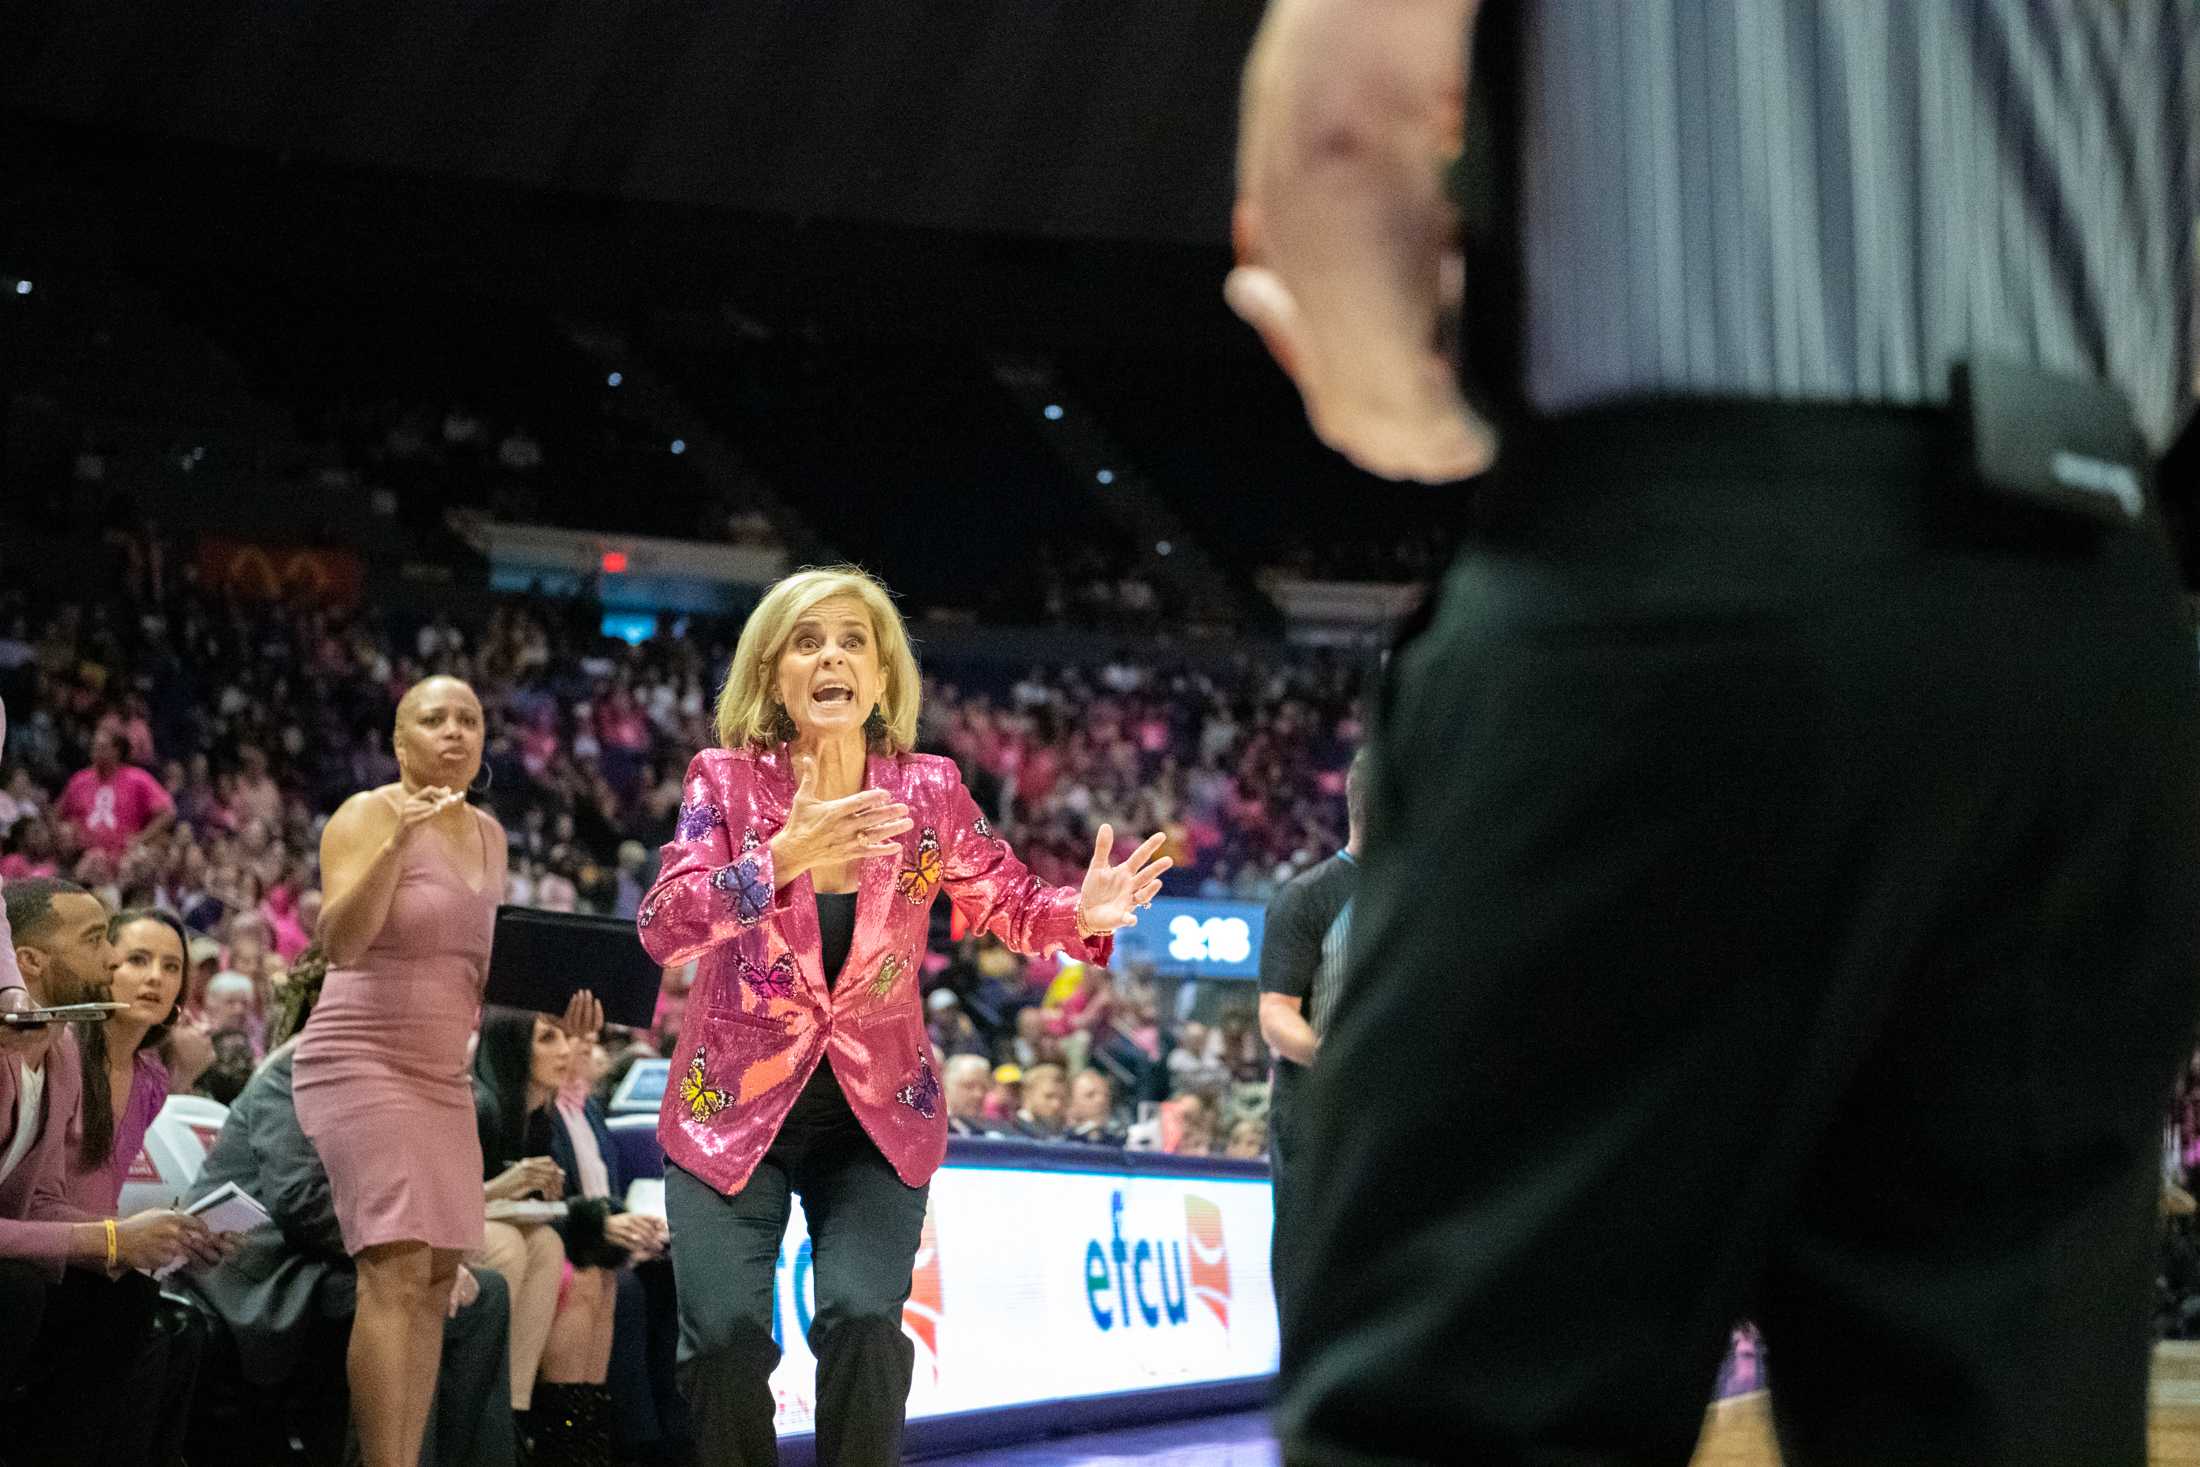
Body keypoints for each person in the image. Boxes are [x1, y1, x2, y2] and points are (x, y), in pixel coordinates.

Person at [1231, 2, 2200, 1463]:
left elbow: (1350, 106)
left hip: (1693, 561)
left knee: (1462, 1405)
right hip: (2094, 598)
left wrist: (1405, 406)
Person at [638, 565, 1171, 1467]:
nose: (832, 656)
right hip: (728, 1109)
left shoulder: (928, 790)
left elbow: (1009, 900)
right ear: (773, 673)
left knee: (861, 1322)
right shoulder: (723, 783)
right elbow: (663, 925)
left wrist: (1080, 913)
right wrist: (781, 856)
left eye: (854, 640)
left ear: (883, 677)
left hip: (877, 1110)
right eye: (807, 641)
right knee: (725, 1337)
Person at [292, 674, 511, 1467]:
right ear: (398, 740)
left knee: (435, 1277)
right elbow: (341, 942)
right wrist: (395, 844)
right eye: (434, 719)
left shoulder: (490, 835)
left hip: (439, 1075)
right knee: (396, 1268)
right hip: (359, 1059)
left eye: (469, 719)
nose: (454, 731)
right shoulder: (365, 814)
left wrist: (559, 1000)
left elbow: (480, 966)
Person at [177, 1037, 518, 1467]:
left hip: (335, 1257)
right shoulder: (301, 1067)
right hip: (263, 1264)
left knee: (484, 1295)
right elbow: (301, 1200)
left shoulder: (401, 1077)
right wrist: (412, 1253)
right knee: (403, 1296)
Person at [0, 879, 227, 1465]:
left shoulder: (79, 1062)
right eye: (105, 945)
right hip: (33, 1265)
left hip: (44, 1254)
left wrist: (153, 1237)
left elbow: (51, 1199)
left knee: (143, 1308)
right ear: (29, 961)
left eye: (170, 966)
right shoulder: (55, 1053)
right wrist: (111, 1239)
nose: (116, 963)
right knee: (41, 1295)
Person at [473, 999, 658, 1461]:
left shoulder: (540, 1116)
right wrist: (595, 1221)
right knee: (573, 1271)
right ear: (513, 1049)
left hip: (550, 1244)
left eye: (572, 1038)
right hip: (497, 1251)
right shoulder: (484, 1108)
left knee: (598, 1272)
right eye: (548, 1038)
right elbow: (460, 1203)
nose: (568, 1049)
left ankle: (582, 1444)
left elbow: (554, 1204)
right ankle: (543, 1436)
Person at [1256, 749, 1362, 1325]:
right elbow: (1276, 1016)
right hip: (1317, 1117)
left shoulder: (1428, 898)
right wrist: (1347, 1059)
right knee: (1310, 1273)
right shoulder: (1309, 897)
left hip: (1393, 1117)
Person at [66, 908, 187, 1214]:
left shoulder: (152, 1079)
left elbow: (102, 1198)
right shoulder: (59, 1052)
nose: (156, 977)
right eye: (138, 960)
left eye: (172, 967)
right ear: (102, 966)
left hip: (99, 1255)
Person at [53, 729, 175, 861]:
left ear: (116, 751)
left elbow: (167, 812)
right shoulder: (79, 780)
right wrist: (68, 833)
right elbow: (57, 814)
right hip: (82, 857)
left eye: (102, 747)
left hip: (124, 857)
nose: (95, 752)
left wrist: (141, 839)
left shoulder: (137, 779)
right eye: (94, 747)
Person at [1064, 1067, 1126, 1147]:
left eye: (1106, 1095)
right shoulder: (1059, 1140)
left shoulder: (1123, 1140)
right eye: (1090, 1095)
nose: (1101, 1101)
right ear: (1070, 1101)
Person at [1012, 1062, 1069, 1140]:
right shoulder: (1009, 1134)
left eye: (1062, 1098)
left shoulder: (1071, 1137)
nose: (1056, 1104)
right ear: (1027, 1094)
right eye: (1049, 1096)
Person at [943, 1054, 995, 1138]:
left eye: (984, 1088)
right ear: (945, 1087)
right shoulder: (932, 1130)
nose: (979, 1095)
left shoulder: (989, 1134)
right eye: (969, 1086)